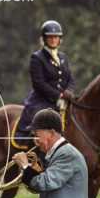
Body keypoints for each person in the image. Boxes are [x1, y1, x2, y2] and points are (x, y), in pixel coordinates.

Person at [16, 20, 76, 148]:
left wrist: (69, 92)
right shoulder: (37, 58)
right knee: (40, 120)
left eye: (56, 37)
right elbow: (39, 83)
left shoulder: (63, 57)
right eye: (50, 37)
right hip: (42, 100)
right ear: (44, 39)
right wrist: (58, 96)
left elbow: (70, 78)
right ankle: (34, 147)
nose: (53, 40)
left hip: (65, 99)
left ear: (60, 39)